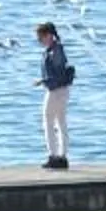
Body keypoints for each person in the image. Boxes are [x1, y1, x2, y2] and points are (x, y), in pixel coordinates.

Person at [35, 20, 75, 169]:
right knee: (61, 122)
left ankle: (53, 156)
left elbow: (57, 75)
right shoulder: (56, 49)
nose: (39, 41)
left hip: (56, 91)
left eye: (41, 37)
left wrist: (43, 81)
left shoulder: (55, 51)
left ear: (49, 35)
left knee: (49, 122)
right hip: (62, 90)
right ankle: (62, 157)